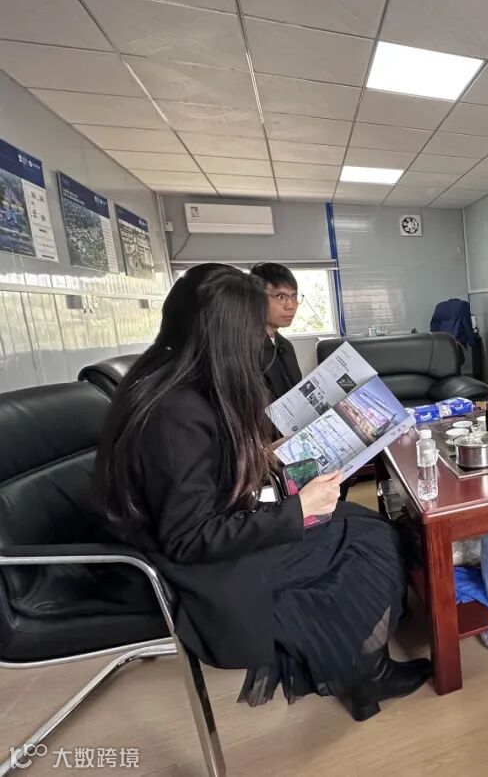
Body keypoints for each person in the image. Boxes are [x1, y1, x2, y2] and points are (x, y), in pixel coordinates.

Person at [94, 265, 430, 721]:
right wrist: (298, 511)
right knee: (368, 542)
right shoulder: (175, 414)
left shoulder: (171, 383)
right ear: (226, 336)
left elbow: (199, 475)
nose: (258, 342)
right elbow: (188, 537)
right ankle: (367, 674)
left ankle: (363, 665)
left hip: (205, 538)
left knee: (358, 521)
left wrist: (258, 454)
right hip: (195, 571)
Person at [251, 262, 302, 401]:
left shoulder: (286, 346)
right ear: (257, 298)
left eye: (294, 296)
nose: (291, 305)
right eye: (281, 297)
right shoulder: (245, 350)